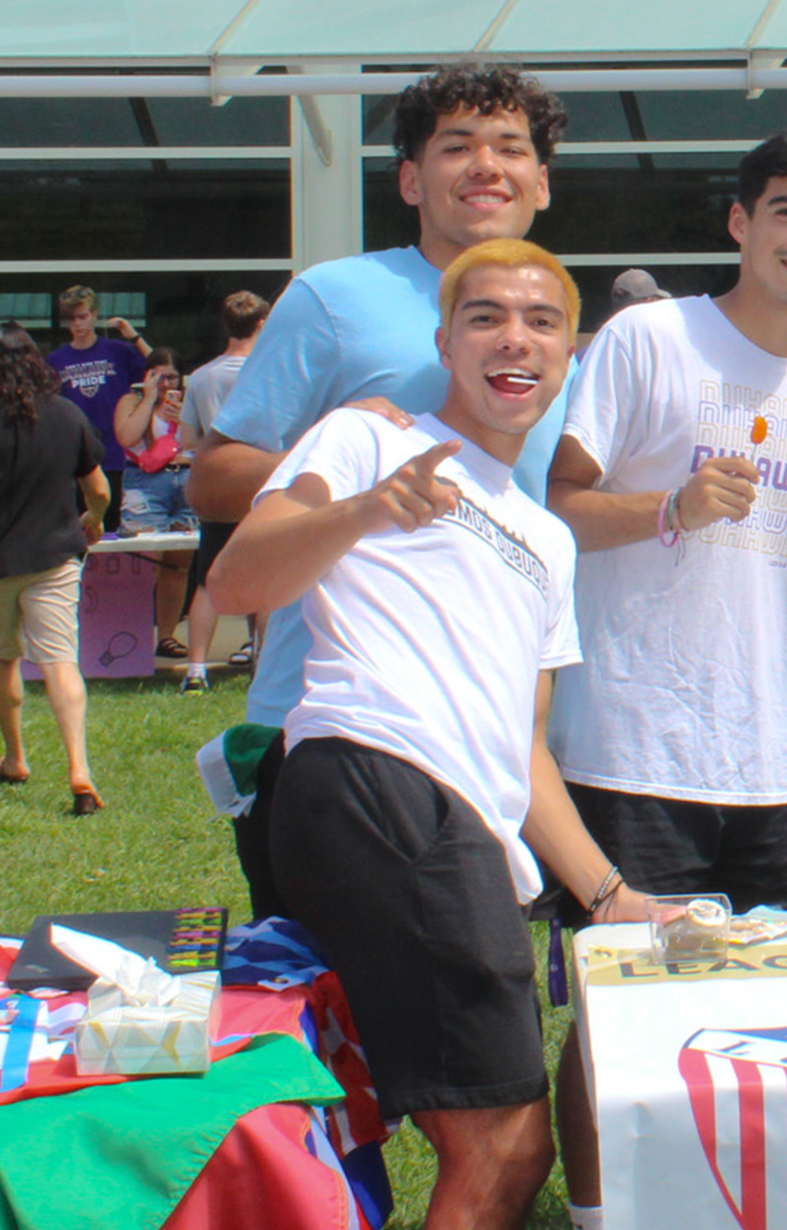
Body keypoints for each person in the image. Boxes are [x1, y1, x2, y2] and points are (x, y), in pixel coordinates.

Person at [205, 238, 644, 1230]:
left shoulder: (546, 536)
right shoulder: (368, 438)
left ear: (567, 356)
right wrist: (366, 508)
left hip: (458, 824)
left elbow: (519, 745)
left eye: (541, 320)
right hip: (375, 779)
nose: (515, 336)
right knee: (499, 1138)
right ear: (444, 343)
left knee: (493, 1139)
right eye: (486, 316)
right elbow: (236, 577)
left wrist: (610, 889)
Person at [542, 130, 787, 1230]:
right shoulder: (650, 337)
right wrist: (670, 506)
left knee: (751, 1010)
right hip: (634, 739)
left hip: (770, 752)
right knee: (612, 1013)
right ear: (739, 223)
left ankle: (722, 1224)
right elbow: (561, 500)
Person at [191, 61, 569, 922]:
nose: (486, 165)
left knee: (467, 1009)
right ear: (410, 178)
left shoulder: (546, 327)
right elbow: (214, 477)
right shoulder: (338, 297)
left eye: (510, 147)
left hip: (485, 737)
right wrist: (348, 467)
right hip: (334, 728)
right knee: (334, 1019)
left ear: (541, 183)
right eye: (456, 147)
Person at [0, 323, 111, 815]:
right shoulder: (66, 414)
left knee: (4, 662)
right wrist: (96, 520)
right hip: (53, 559)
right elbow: (100, 489)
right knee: (61, 663)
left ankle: (15, 759)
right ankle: (79, 772)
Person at [177, 289, 270, 692]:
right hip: (261, 479)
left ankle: (196, 668)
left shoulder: (201, 377)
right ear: (263, 325)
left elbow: (187, 438)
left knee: (208, 579)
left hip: (218, 481)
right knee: (268, 577)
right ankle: (262, 662)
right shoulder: (271, 372)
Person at [111, 349, 196, 663]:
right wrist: (148, 400)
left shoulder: (189, 403)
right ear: (146, 376)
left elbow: (202, 442)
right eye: (157, 376)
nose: (164, 383)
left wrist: (183, 420)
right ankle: (132, 637)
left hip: (186, 478)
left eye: (171, 376)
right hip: (145, 483)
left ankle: (167, 637)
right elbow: (126, 436)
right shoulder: (130, 402)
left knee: (178, 565)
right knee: (146, 562)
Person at [46, 285, 150, 536]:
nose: (78, 324)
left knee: (112, 527)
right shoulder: (55, 360)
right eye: (72, 319)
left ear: (93, 314)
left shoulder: (118, 351)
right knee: (79, 528)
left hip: (114, 451)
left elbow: (160, 368)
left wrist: (133, 336)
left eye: (82, 316)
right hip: (75, 454)